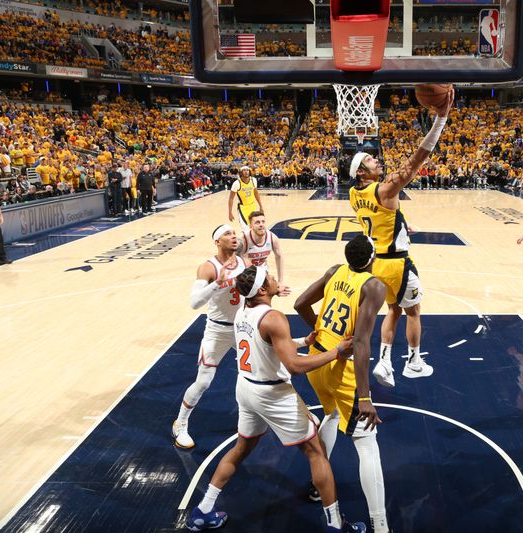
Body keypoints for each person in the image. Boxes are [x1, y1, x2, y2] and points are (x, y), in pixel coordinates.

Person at [186, 265, 366, 533]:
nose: (273, 278)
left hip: (246, 388)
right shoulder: (273, 317)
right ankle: (336, 525)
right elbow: (293, 365)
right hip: (272, 394)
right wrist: (337, 352)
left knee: (240, 449)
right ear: (261, 289)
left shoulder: (241, 312)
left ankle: (202, 511)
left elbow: (268, 343)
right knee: (316, 452)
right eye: (269, 277)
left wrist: (304, 341)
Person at [348, 87, 454, 387]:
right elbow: (416, 161)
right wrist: (440, 120)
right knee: (413, 311)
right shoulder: (385, 189)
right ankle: (413, 361)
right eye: (370, 161)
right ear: (361, 173)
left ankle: (383, 362)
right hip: (398, 265)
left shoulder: (355, 196)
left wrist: (403, 226)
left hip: (377, 265)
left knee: (392, 311)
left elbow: (384, 216)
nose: (377, 161)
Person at [294, 235, 390, 533]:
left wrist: (318, 329)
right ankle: (381, 524)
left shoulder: (335, 270)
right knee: (367, 442)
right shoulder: (374, 286)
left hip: (317, 357)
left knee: (332, 416)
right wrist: (365, 397)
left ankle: (316, 485)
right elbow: (361, 343)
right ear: (372, 259)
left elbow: (299, 304)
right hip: (340, 366)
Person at [172, 225, 246, 449]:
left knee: (265, 371)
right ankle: (180, 424)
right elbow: (194, 303)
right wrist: (217, 283)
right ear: (217, 241)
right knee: (204, 381)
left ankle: (278, 416)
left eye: (234, 233)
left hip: (242, 328)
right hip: (217, 330)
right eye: (227, 234)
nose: (233, 236)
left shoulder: (245, 262)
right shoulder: (208, 267)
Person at [237, 210, 287, 288]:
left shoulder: (272, 238)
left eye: (263, 222)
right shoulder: (243, 239)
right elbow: (233, 259)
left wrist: (280, 281)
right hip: (245, 275)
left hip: (262, 272)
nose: (261, 224)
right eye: (257, 222)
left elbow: (279, 256)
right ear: (251, 226)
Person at [228, 166, 264, 231]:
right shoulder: (237, 183)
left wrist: (261, 206)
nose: (246, 171)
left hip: (253, 206)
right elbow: (231, 198)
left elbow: (256, 193)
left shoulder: (253, 180)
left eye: (247, 170)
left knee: (253, 227)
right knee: (245, 229)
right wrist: (230, 212)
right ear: (241, 173)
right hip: (243, 208)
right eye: (244, 170)